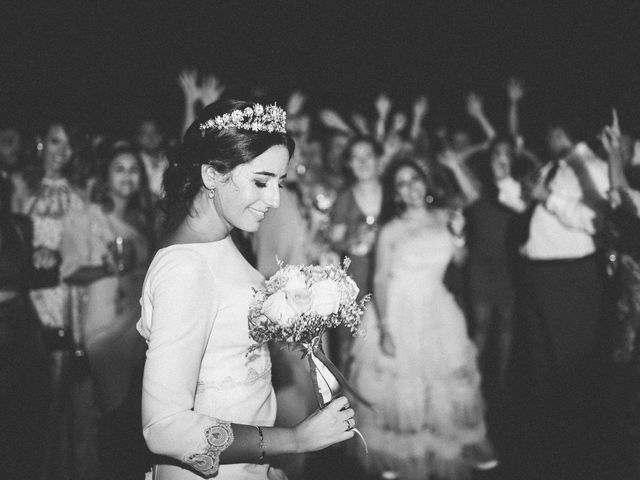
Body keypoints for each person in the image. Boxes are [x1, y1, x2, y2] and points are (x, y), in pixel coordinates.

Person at [138, 100, 356, 480]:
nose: (274, 199)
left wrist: (263, 464)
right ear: (211, 175)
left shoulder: (221, 242)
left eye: (279, 183)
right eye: (260, 181)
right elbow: (164, 427)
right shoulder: (185, 269)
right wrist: (293, 440)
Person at [349, 158, 496, 480]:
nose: (410, 189)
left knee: (443, 383)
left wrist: (458, 236)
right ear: (396, 194)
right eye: (401, 184)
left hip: (437, 306)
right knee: (401, 386)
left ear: (425, 182)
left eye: (414, 179)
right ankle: (399, 453)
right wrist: (385, 327)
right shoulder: (391, 230)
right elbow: (380, 281)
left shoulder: (445, 217)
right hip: (398, 310)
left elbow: (459, 260)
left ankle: (443, 446)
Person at [61, 144, 155, 479]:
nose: (128, 175)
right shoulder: (87, 218)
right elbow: (68, 272)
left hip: (135, 326)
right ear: (105, 176)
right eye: (119, 168)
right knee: (99, 415)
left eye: (133, 168)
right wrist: (108, 268)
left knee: (129, 420)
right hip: (101, 327)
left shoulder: (141, 222)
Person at [0, 169, 49, 479]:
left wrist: (48, 259)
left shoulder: (19, 226)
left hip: (20, 324)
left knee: (24, 420)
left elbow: (28, 277)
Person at [328, 135, 383, 371]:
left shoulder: (392, 194)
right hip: (357, 277)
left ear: (378, 160)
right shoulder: (344, 198)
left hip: (389, 273)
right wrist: (353, 239)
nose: (362, 162)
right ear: (349, 164)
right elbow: (333, 243)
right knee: (355, 342)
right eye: (356, 158)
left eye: (367, 156)